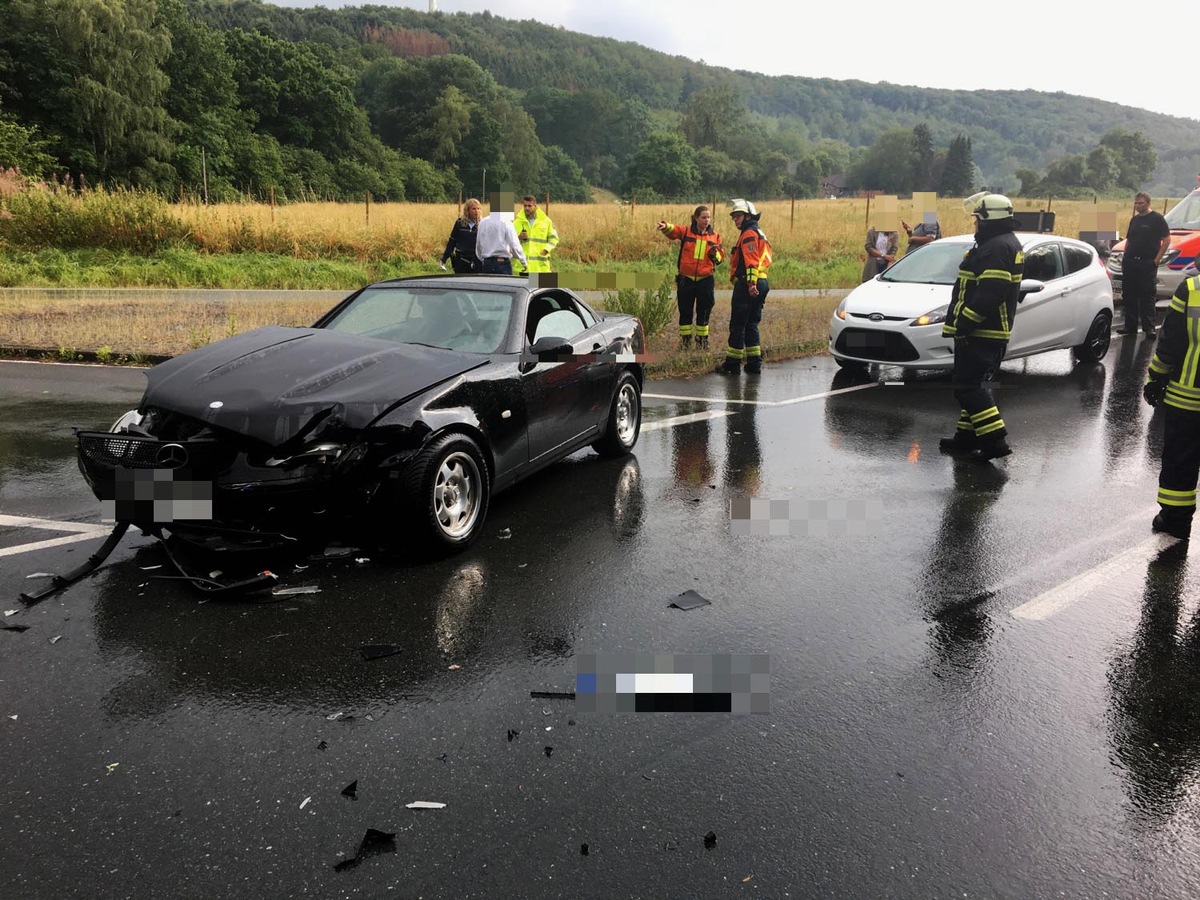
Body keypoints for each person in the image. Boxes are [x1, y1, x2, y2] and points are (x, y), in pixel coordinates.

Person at [938, 192, 1024, 462]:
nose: (974, 223)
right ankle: (965, 438)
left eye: (977, 218)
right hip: (985, 331)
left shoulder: (996, 247)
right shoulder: (998, 244)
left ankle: (994, 441)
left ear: (988, 220)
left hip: (982, 332)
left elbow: (991, 292)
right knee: (972, 384)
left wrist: (964, 323)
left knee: (967, 387)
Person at [1142, 271, 1200, 540]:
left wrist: (1155, 378)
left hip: (1188, 397)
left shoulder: (1192, 288)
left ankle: (1175, 520)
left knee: (1180, 460)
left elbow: (1171, 342)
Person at [716, 199, 772, 375]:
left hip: (749, 283)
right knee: (751, 324)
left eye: (738, 216)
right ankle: (754, 363)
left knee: (738, 324)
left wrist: (750, 283)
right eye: (733, 218)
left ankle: (732, 364)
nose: (735, 220)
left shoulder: (748, 234)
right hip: (762, 281)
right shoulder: (759, 232)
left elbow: (751, 261)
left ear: (748, 216)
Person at [657, 205, 724, 348]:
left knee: (704, 312)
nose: (707, 220)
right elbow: (674, 231)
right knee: (685, 312)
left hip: (705, 280)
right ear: (696, 218)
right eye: (703, 217)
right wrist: (665, 226)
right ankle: (685, 342)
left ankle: (702, 342)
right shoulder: (687, 232)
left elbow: (720, 259)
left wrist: (715, 254)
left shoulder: (714, 236)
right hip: (686, 280)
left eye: (708, 217)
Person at [1118, 192, 1170, 337]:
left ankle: (1149, 328)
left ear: (1148, 203)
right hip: (1131, 261)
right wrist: (1125, 256)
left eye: (1140, 203)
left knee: (1147, 296)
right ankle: (1130, 326)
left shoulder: (1157, 219)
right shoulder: (1134, 220)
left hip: (1147, 262)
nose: (1137, 206)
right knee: (1129, 294)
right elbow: (1129, 239)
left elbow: (1166, 240)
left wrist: (1156, 260)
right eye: (1135, 203)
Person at [474, 202, 527, 275]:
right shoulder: (506, 222)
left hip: (487, 263)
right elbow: (514, 244)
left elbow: (479, 244)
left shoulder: (483, 222)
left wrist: (483, 259)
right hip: (502, 263)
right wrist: (523, 261)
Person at [513, 195, 559, 274]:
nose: (527, 208)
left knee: (544, 286)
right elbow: (509, 241)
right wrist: (518, 237)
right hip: (523, 267)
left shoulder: (546, 221)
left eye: (529, 206)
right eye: (525, 206)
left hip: (540, 267)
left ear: (535, 206)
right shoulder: (517, 222)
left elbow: (554, 239)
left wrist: (546, 250)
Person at [440, 198, 482, 274]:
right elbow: (452, 241)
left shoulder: (483, 224)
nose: (477, 211)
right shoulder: (459, 223)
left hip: (476, 259)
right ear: (468, 210)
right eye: (474, 209)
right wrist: (444, 258)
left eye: (478, 209)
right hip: (461, 259)